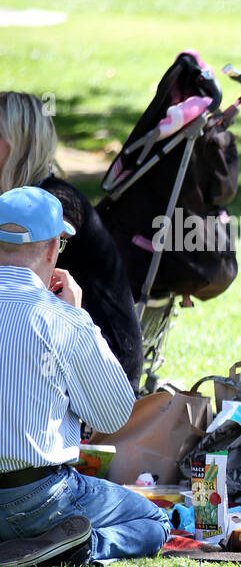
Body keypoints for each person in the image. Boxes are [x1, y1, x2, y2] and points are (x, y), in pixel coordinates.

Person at [0, 186, 169, 567]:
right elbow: (112, 416)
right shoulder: (62, 320)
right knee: (152, 520)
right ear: (50, 250)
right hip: (39, 498)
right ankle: (72, 548)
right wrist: (80, 318)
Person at [0, 91, 144, 385]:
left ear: (18, 143)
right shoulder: (26, 201)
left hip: (102, 371)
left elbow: (15, 297)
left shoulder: (55, 206)